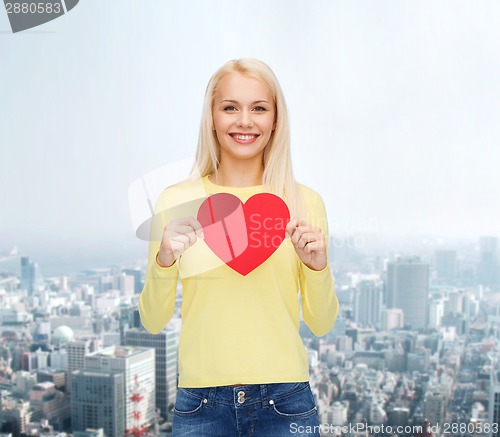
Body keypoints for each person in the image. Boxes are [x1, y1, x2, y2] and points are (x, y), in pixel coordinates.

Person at [139, 58, 339, 437]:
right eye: (230, 107)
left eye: (259, 108)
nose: (244, 121)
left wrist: (317, 268)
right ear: (211, 118)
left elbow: (322, 322)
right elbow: (151, 319)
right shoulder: (176, 200)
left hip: (286, 400)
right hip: (200, 404)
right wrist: (164, 261)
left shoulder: (304, 202)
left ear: (275, 120)